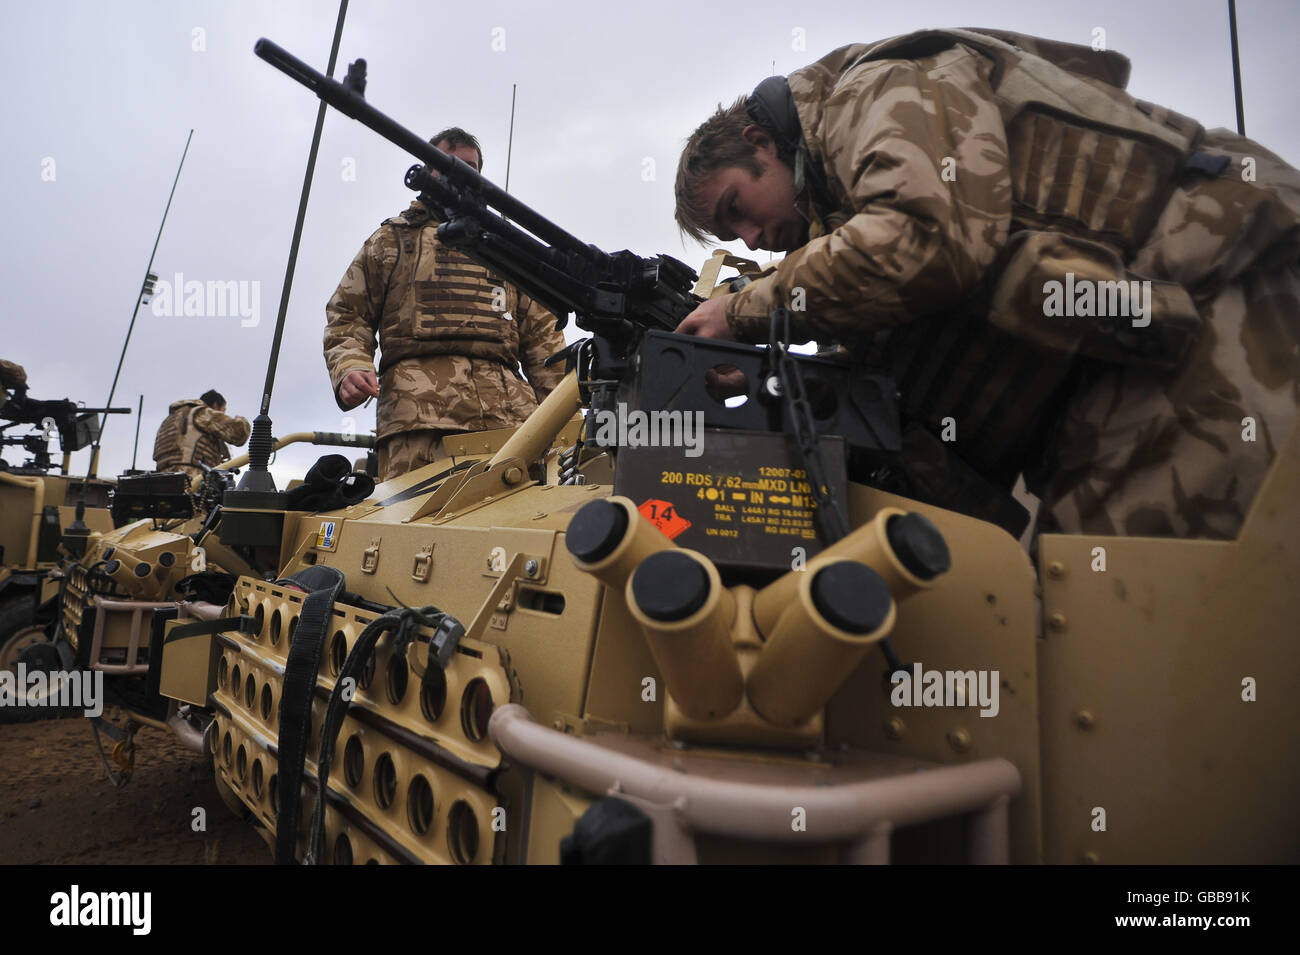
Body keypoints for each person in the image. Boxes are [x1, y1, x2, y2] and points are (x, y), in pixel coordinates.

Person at [673, 28, 1300, 540]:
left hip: (1220, 279)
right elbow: (886, 369)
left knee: (1171, 608)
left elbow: (926, 239)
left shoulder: (874, 89)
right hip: (1121, 364)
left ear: (761, 142)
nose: (749, 239)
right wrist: (758, 375)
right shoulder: (841, 222)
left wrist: (745, 311)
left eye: (736, 208)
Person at [324, 127, 567, 482]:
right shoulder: (391, 240)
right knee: (417, 531)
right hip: (418, 424)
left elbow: (545, 344)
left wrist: (567, 425)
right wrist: (350, 365)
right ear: (428, 170)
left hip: (511, 426)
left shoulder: (507, 249)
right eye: (448, 164)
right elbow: (348, 315)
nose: (461, 174)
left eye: (470, 166)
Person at [153, 389, 251, 481]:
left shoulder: (169, 420)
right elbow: (239, 434)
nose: (223, 414)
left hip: (163, 479)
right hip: (192, 477)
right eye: (223, 410)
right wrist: (241, 420)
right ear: (215, 406)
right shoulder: (201, 413)